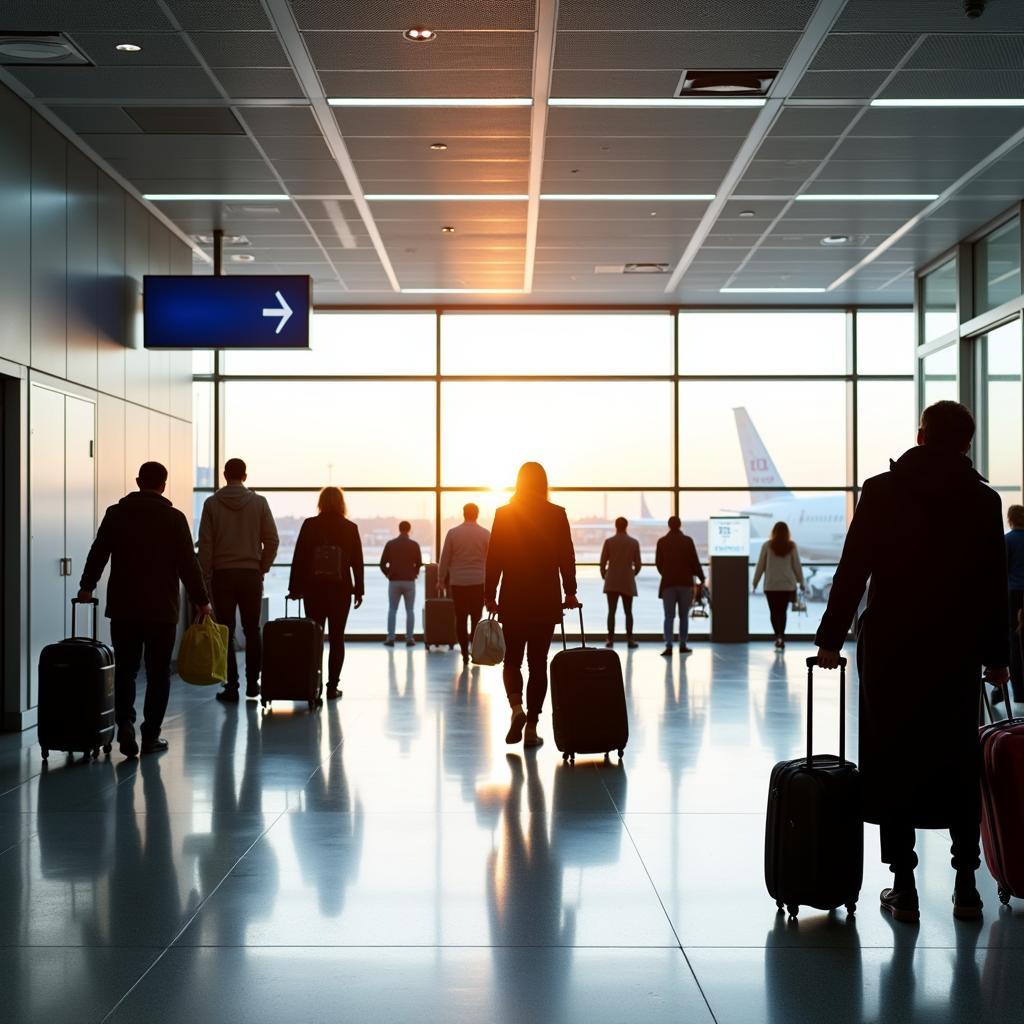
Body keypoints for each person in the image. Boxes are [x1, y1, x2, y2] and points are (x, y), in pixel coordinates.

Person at [815, 400, 1009, 924]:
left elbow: (852, 569)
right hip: (955, 648)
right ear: (967, 443)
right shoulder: (983, 501)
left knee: (892, 756)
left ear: (921, 437)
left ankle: (904, 886)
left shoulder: (881, 491)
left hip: (892, 648)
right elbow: (992, 587)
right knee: (958, 758)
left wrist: (831, 639)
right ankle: (967, 885)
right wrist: (997, 657)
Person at [78, 461, 211, 757]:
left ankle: (124, 723)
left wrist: (87, 586)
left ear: (138, 481)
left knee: (125, 669)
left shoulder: (116, 514)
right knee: (158, 672)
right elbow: (189, 565)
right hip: (162, 609)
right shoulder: (174, 518)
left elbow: (98, 552)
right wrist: (202, 600)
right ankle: (150, 735)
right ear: (164, 484)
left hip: (124, 606)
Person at [485, 462, 579, 749]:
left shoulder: (504, 514)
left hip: (514, 597)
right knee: (538, 664)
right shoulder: (556, 514)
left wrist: (490, 593)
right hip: (545, 598)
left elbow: (494, 557)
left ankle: (517, 709)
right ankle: (532, 728)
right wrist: (570, 591)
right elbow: (567, 555)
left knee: (512, 660)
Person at [198, 458, 279, 704]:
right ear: (245, 476)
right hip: (250, 574)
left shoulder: (211, 504)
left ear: (224, 475)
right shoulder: (259, 503)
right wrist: (262, 566)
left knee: (225, 631)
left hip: (222, 575)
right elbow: (272, 540)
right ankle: (253, 683)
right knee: (252, 630)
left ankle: (231, 686)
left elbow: (206, 545)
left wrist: (205, 577)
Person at [287, 487, 364, 700]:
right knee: (337, 638)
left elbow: (299, 558)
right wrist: (359, 590)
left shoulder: (310, 525)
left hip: (314, 589)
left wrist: (295, 588)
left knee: (314, 638)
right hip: (341, 590)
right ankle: (332, 686)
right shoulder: (350, 527)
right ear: (342, 503)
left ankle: (314, 685)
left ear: (321, 502)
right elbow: (357, 562)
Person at [438, 502, 491, 663]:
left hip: (458, 582)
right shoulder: (485, 534)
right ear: (477, 514)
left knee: (460, 618)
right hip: (478, 581)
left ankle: (464, 653)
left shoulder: (453, 533)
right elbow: (491, 560)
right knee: (476, 618)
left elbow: (445, 558)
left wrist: (440, 580)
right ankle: (474, 650)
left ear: (463, 513)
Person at [655, 515, 705, 656]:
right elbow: (694, 561)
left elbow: (659, 563)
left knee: (669, 616)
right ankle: (683, 645)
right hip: (685, 583)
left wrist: (666, 573)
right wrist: (701, 577)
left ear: (669, 525)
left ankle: (669, 646)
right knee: (683, 616)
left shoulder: (662, 542)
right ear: (680, 525)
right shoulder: (687, 541)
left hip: (668, 584)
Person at [752, 522, 805, 650]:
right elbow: (796, 566)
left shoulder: (767, 545)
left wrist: (755, 582)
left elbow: (761, 565)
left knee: (774, 612)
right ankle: (781, 636)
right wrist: (801, 582)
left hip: (771, 586)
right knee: (782, 612)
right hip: (787, 586)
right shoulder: (791, 546)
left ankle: (778, 637)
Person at [600, 517, 642, 649]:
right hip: (627, 581)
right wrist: (631, 574)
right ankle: (630, 640)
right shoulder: (634, 542)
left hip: (612, 580)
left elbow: (602, 562)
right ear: (626, 526)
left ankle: (610, 639)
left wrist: (605, 575)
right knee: (628, 612)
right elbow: (638, 564)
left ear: (615, 526)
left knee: (611, 611)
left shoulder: (609, 542)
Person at [380, 520, 422, 647]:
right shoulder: (414, 545)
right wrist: (414, 573)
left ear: (399, 529)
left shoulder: (391, 544)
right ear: (409, 530)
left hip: (394, 581)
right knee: (410, 610)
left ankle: (391, 638)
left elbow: (382, 563)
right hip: (409, 581)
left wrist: (388, 574)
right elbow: (419, 563)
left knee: (392, 610)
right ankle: (409, 638)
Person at [1003, 504, 1024, 704]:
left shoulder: (1007, 540)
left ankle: (1018, 692)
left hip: (1014, 594)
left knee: (1014, 639)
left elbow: (1002, 570)